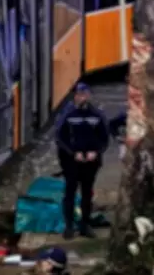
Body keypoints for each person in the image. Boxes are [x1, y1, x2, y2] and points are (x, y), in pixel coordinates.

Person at [55, 83, 110, 239]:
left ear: (89, 96)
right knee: (70, 192)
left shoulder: (97, 115)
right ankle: (69, 226)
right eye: (79, 95)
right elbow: (60, 137)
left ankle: (85, 225)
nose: (82, 97)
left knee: (87, 193)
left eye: (84, 94)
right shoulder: (68, 114)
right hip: (71, 162)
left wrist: (96, 152)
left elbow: (104, 138)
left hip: (91, 162)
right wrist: (73, 153)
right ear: (75, 96)